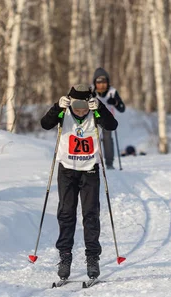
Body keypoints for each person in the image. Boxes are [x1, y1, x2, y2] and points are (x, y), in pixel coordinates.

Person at [40, 84, 118, 281]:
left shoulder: (95, 113)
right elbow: (45, 124)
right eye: (77, 107)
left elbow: (112, 125)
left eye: (84, 106)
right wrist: (56, 107)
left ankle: (92, 257)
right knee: (66, 214)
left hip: (89, 170)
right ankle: (65, 256)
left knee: (90, 214)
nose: (81, 111)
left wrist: (99, 108)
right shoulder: (63, 112)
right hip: (67, 170)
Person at [92, 67, 125, 170]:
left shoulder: (112, 92)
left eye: (104, 82)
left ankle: (109, 163)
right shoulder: (91, 91)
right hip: (94, 120)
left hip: (107, 120)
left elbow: (122, 108)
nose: (101, 85)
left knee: (107, 140)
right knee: (93, 139)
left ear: (108, 82)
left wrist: (115, 102)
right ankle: (93, 161)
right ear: (95, 82)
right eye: (99, 82)